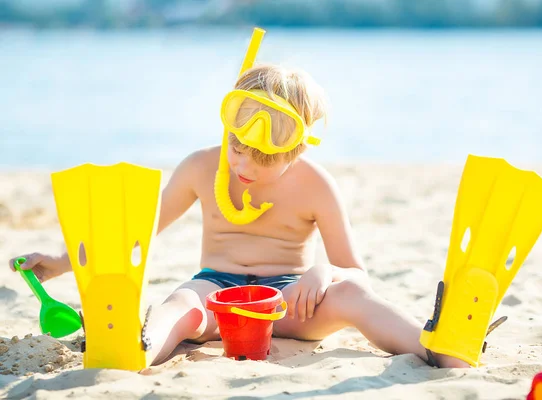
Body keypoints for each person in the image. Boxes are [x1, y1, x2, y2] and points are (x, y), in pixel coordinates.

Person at [7, 63, 469, 369]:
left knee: (350, 295)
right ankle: (136, 350)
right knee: (182, 304)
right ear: (226, 129)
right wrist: (63, 260)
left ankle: (434, 348)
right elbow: (140, 231)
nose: (245, 165)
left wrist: (321, 273)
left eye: (264, 158)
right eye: (237, 147)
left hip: (288, 300)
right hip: (216, 288)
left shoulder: (315, 183)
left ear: (298, 148)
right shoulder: (201, 167)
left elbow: (357, 273)